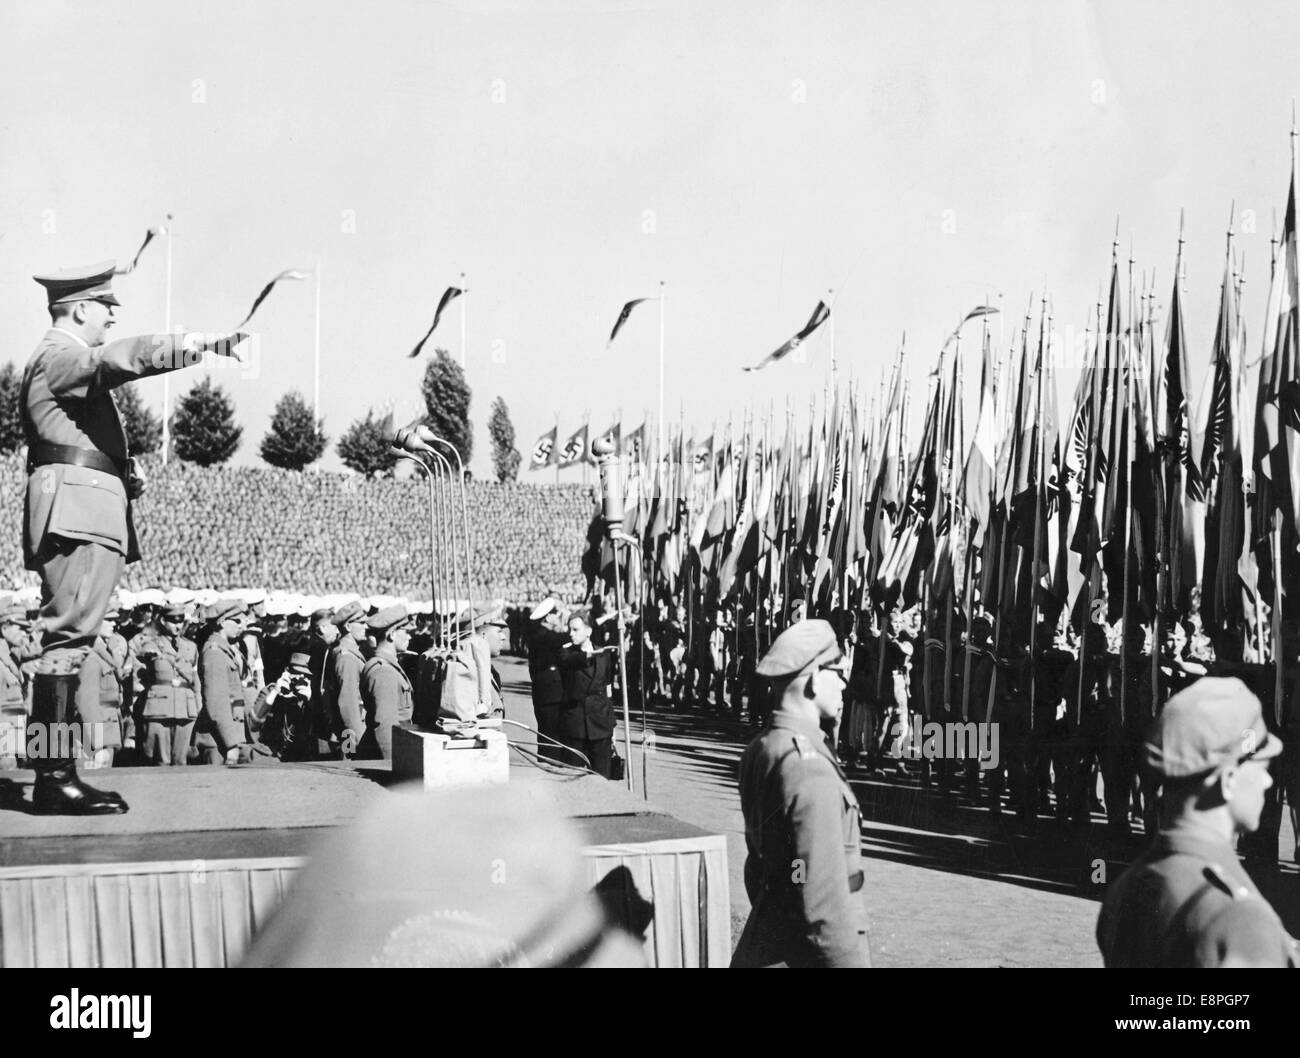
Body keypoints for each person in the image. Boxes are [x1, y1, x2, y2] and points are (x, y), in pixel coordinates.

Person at [22, 261, 245, 813]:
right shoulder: (61, 354)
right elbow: (117, 359)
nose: (111, 314)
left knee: (67, 644)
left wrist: (121, 473)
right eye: (105, 306)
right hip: (78, 512)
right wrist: (198, 345)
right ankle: (52, 777)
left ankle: (53, 772)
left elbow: (71, 437)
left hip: (81, 504)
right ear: (77, 309)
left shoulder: (55, 360)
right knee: (66, 644)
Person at [1096, 677, 1298, 967]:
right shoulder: (1241, 921)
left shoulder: (1126, 886)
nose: (1268, 781)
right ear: (1228, 780)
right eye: (1262, 767)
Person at [732, 619, 871, 967]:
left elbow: (765, 865)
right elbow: (825, 905)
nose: (843, 683)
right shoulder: (809, 769)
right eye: (837, 671)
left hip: (774, 931)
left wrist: (789, 890)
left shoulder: (763, 748)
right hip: (810, 951)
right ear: (812, 679)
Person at [133, 603, 202, 766]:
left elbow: (195, 677)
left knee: (181, 760)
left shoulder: (190, 647)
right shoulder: (152, 645)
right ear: (163, 621)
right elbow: (142, 661)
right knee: (161, 760)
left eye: (180, 621)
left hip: (185, 707)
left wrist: (198, 704)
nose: (177, 625)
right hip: (160, 708)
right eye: (172, 621)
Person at [556, 611, 617, 778]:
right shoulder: (565, 653)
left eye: (576, 630)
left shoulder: (603, 655)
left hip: (600, 725)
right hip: (575, 726)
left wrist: (612, 725)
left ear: (588, 631)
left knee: (602, 778)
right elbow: (568, 661)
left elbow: (608, 689)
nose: (571, 634)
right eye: (570, 629)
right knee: (571, 777)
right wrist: (590, 655)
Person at [196, 599, 255, 765]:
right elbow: (216, 703)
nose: (240, 624)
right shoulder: (215, 653)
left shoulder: (225, 650)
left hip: (228, 735)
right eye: (236, 621)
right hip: (219, 740)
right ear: (222, 623)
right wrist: (231, 743)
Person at [358, 604, 414, 760]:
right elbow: (385, 726)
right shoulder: (384, 672)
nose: (410, 637)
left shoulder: (384, 665)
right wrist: (394, 766)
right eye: (406, 632)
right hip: (383, 754)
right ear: (392, 634)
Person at [249, 651, 314, 761]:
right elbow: (253, 722)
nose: (299, 678)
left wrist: (307, 703)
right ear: (286, 671)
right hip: (267, 753)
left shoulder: (304, 698)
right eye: (296, 673)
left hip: (292, 755)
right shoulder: (270, 691)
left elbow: (307, 736)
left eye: (305, 676)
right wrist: (276, 692)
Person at [526, 598, 568, 761]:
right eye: (557, 615)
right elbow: (566, 637)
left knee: (546, 729)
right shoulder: (544, 636)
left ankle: (548, 759)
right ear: (549, 617)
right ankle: (550, 761)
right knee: (551, 730)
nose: (558, 617)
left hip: (543, 692)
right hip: (551, 693)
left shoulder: (538, 634)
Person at [323, 601, 367, 758]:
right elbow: (348, 704)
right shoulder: (346, 657)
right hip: (352, 730)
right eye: (361, 623)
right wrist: (357, 740)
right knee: (350, 767)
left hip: (351, 727)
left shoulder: (349, 652)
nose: (366, 626)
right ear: (348, 626)